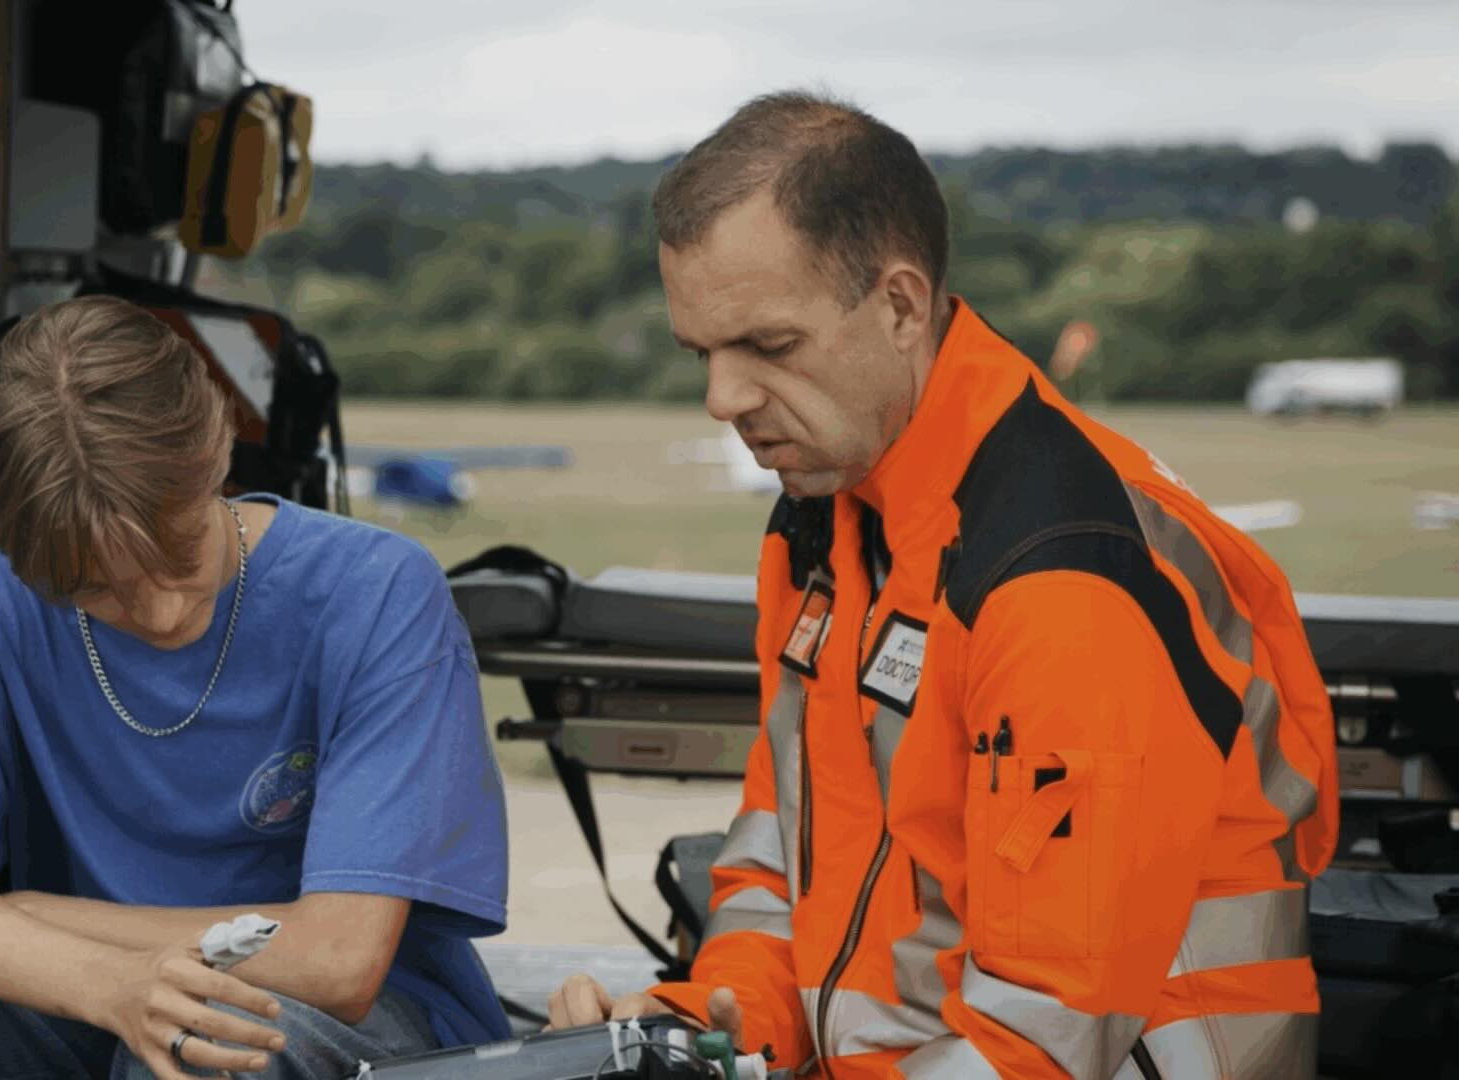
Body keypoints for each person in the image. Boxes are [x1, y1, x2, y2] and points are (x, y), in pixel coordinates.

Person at [548, 92, 1338, 1078]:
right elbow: (783, 876)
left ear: (901, 306)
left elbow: (1044, 1041)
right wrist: (700, 1033)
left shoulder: (1059, 576)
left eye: (769, 346)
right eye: (703, 353)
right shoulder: (825, 524)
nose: (722, 399)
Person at [0, 296, 510, 1080]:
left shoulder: (376, 591)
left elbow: (339, 961)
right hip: (87, 993)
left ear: (215, 450)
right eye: (94, 588)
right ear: (15, 558)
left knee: (198, 1048)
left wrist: (34, 919)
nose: (161, 611)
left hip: (350, 1020)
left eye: (179, 552)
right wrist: (109, 984)